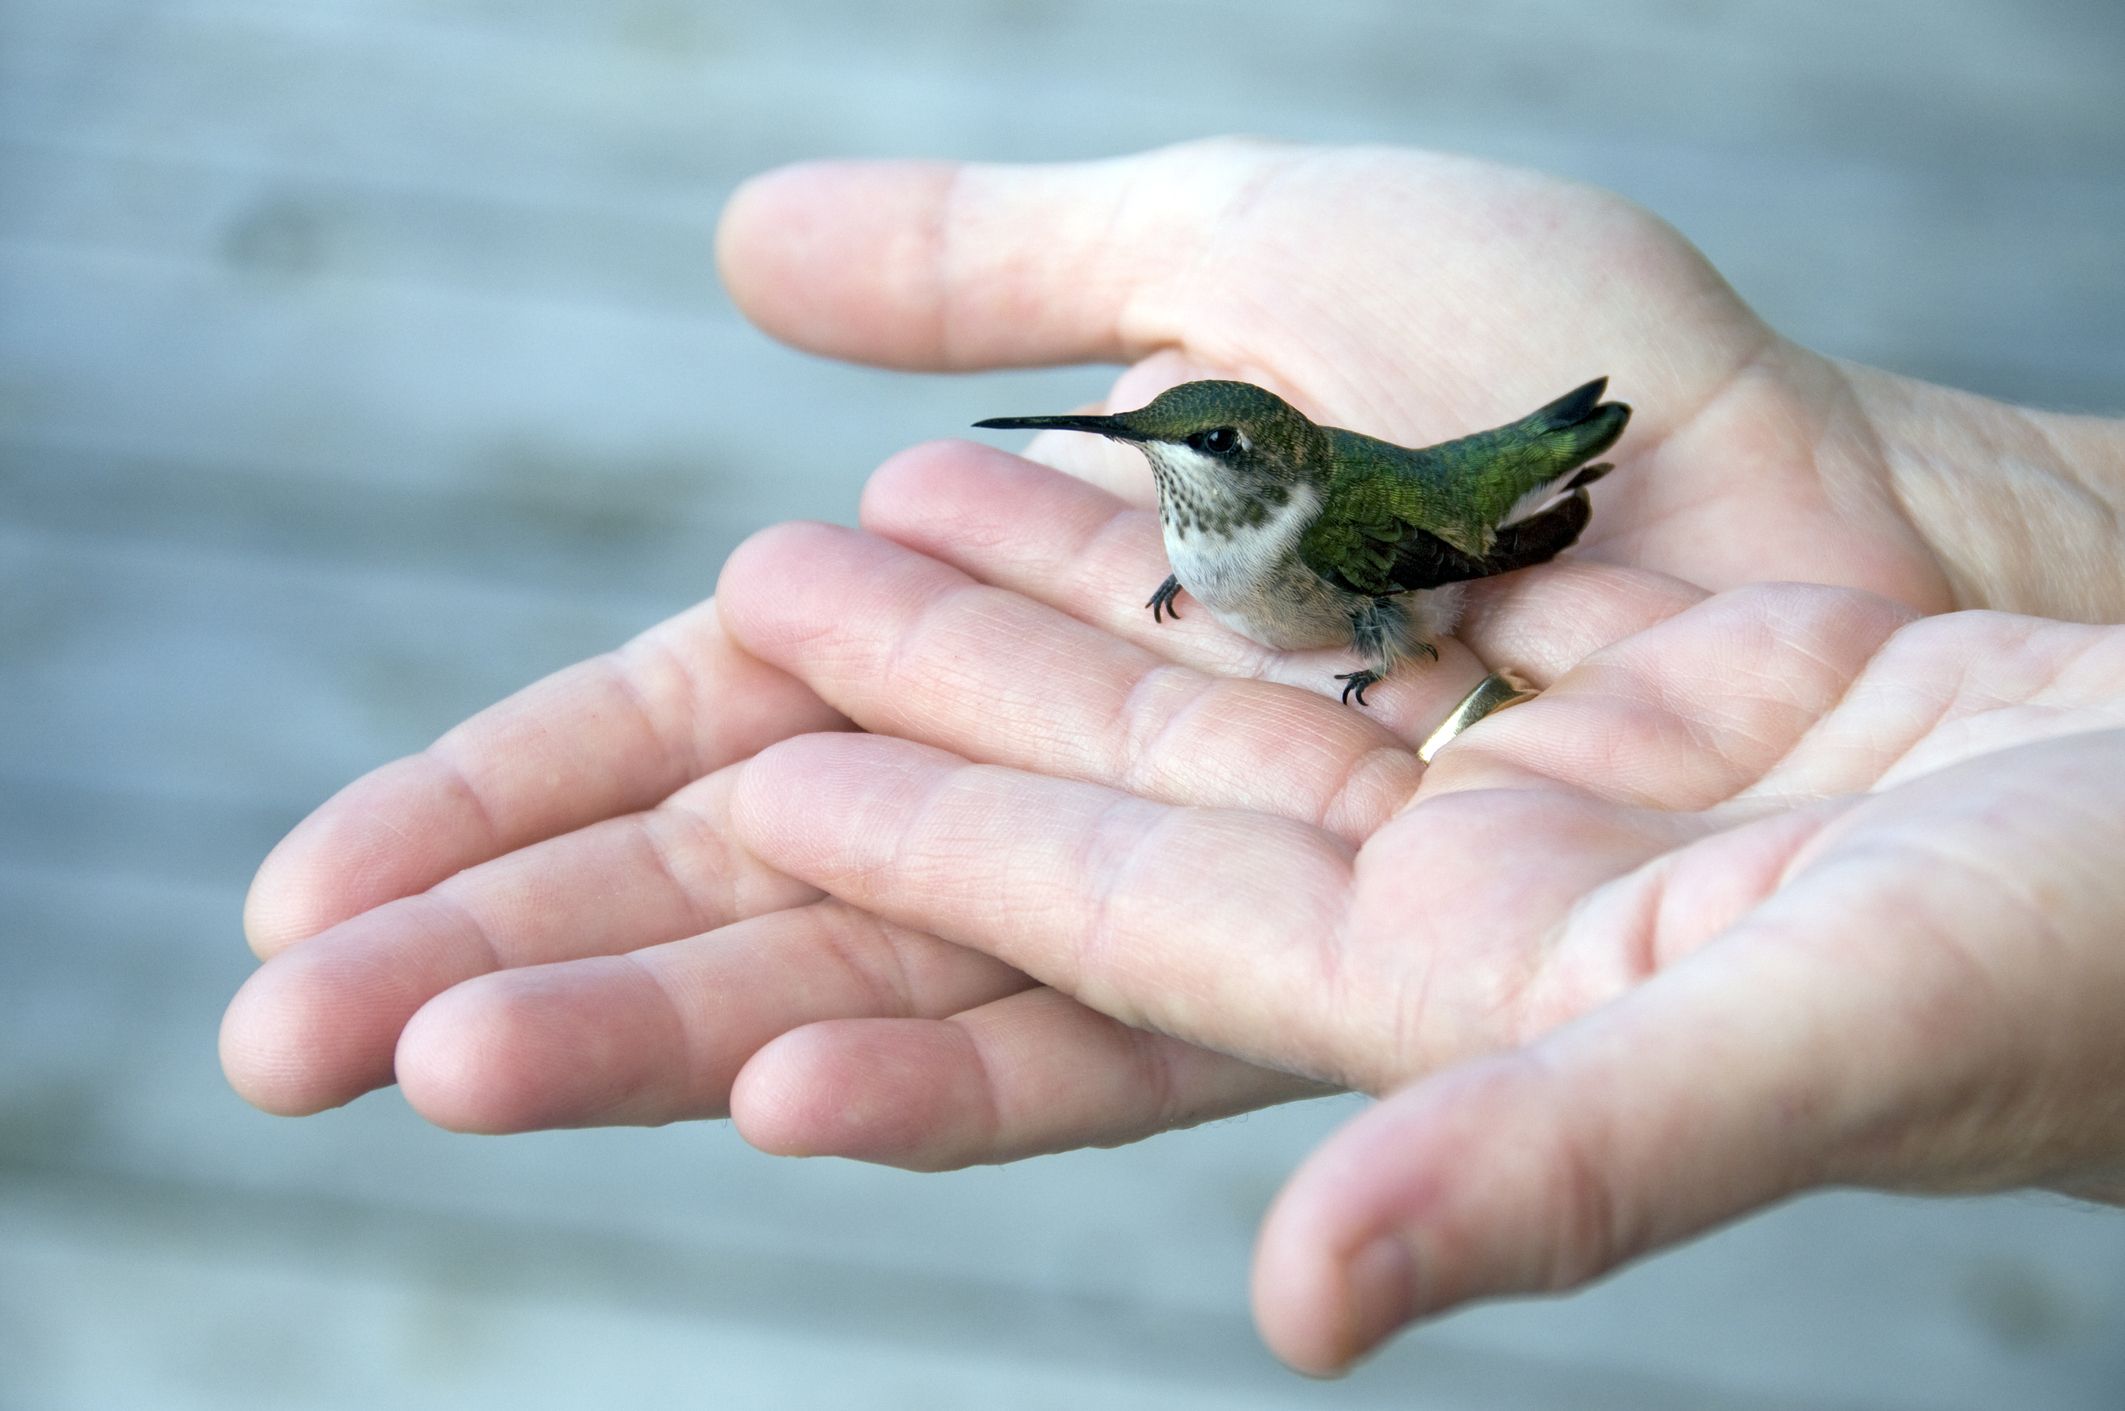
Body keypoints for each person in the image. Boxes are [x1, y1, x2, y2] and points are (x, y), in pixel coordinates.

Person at [220, 140, 2125, 1376]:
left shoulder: (1337, 529)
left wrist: (1413, 653)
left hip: (1414, 587)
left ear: (1275, 473)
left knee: (1455, 536)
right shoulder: (1203, 524)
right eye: (1167, 461)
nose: (1170, 478)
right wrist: (1177, 591)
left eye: (1200, 463)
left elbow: (1435, 582)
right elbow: (1189, 543)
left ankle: (1544, 451)